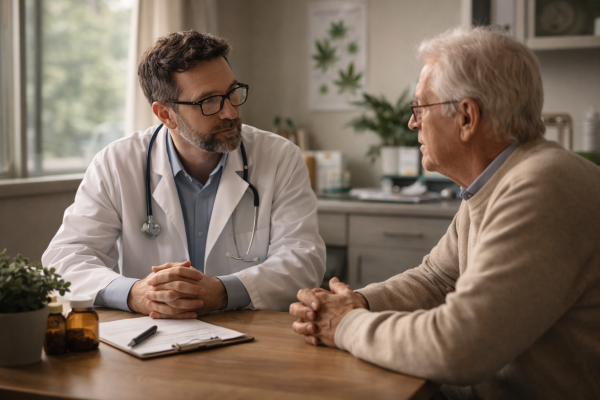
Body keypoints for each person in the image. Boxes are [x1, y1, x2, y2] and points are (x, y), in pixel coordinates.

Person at [290, 26, 600, 399]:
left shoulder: (545, 184)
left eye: (420, 106)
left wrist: (345, 324)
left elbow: (460, 347)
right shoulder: (495, 180)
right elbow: (437, 278)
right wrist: (359, 302)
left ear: (467, 118)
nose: (412, 122)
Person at [43, 30, 325, 319]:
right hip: (152, 338)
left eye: (232, 92)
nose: (230, 111)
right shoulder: (116, 163)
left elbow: (303, 260)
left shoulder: (279, 157)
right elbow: (65, 260)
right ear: (165, 115)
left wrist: (222, 292)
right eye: (209, 101)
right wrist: (135, 294)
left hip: (251, 334)